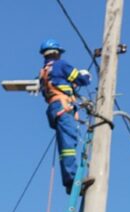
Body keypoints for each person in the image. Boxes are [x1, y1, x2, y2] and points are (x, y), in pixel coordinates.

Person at [38, 39, 92, 194]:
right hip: (63, 107)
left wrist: (70, 87)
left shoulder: (43, 73)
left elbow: (55, 87)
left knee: (66, 144)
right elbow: (81, 80)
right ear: (57, 53)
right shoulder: (61, 65)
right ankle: (73, 178)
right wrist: (85, 76)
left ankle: (71, 181)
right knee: (69, 144)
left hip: (54, 108)